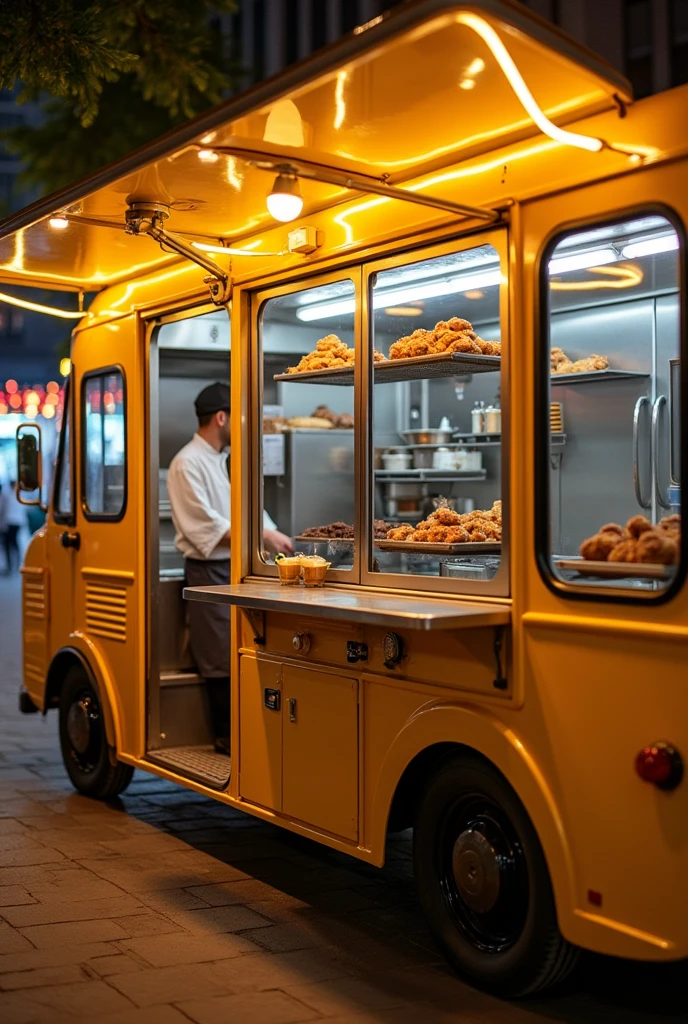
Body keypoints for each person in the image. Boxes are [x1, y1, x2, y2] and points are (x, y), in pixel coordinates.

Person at [167, 382, 293, 755]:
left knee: (242, 650)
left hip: (239, 572)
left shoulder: (222, 461)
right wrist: (265, 536)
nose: (242, 424)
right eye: (237, 417)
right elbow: (206, 528)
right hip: (209, 573)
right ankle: (226, 737)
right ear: (221, 417)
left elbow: (247, 512)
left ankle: (246, 731)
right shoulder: (187, 463)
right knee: (219, 655)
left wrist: (271, 534)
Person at [0, 480, 27, 574]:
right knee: (14, 543)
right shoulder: (19, 495)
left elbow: (2, 509)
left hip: (10, 522)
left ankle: (12, 565)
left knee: (9, 544)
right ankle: (16, 564)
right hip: (16, 522)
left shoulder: (6, 495)